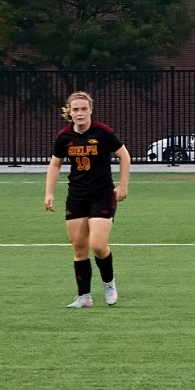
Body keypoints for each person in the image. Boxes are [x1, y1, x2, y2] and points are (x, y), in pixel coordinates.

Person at [43, 91, 130, 308]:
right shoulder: (64, 137)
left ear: (90, 110)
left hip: (102, 195)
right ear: (69, 113)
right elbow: (55, 164)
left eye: (83, 109)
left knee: (98, 245)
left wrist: (123, 185)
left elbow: (124, 156)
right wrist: (49, 192)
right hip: (77, 197)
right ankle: (84, 297)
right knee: (79, 248)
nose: (80, 113)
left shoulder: (103, 133)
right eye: (75, 110)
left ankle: (109, 284)